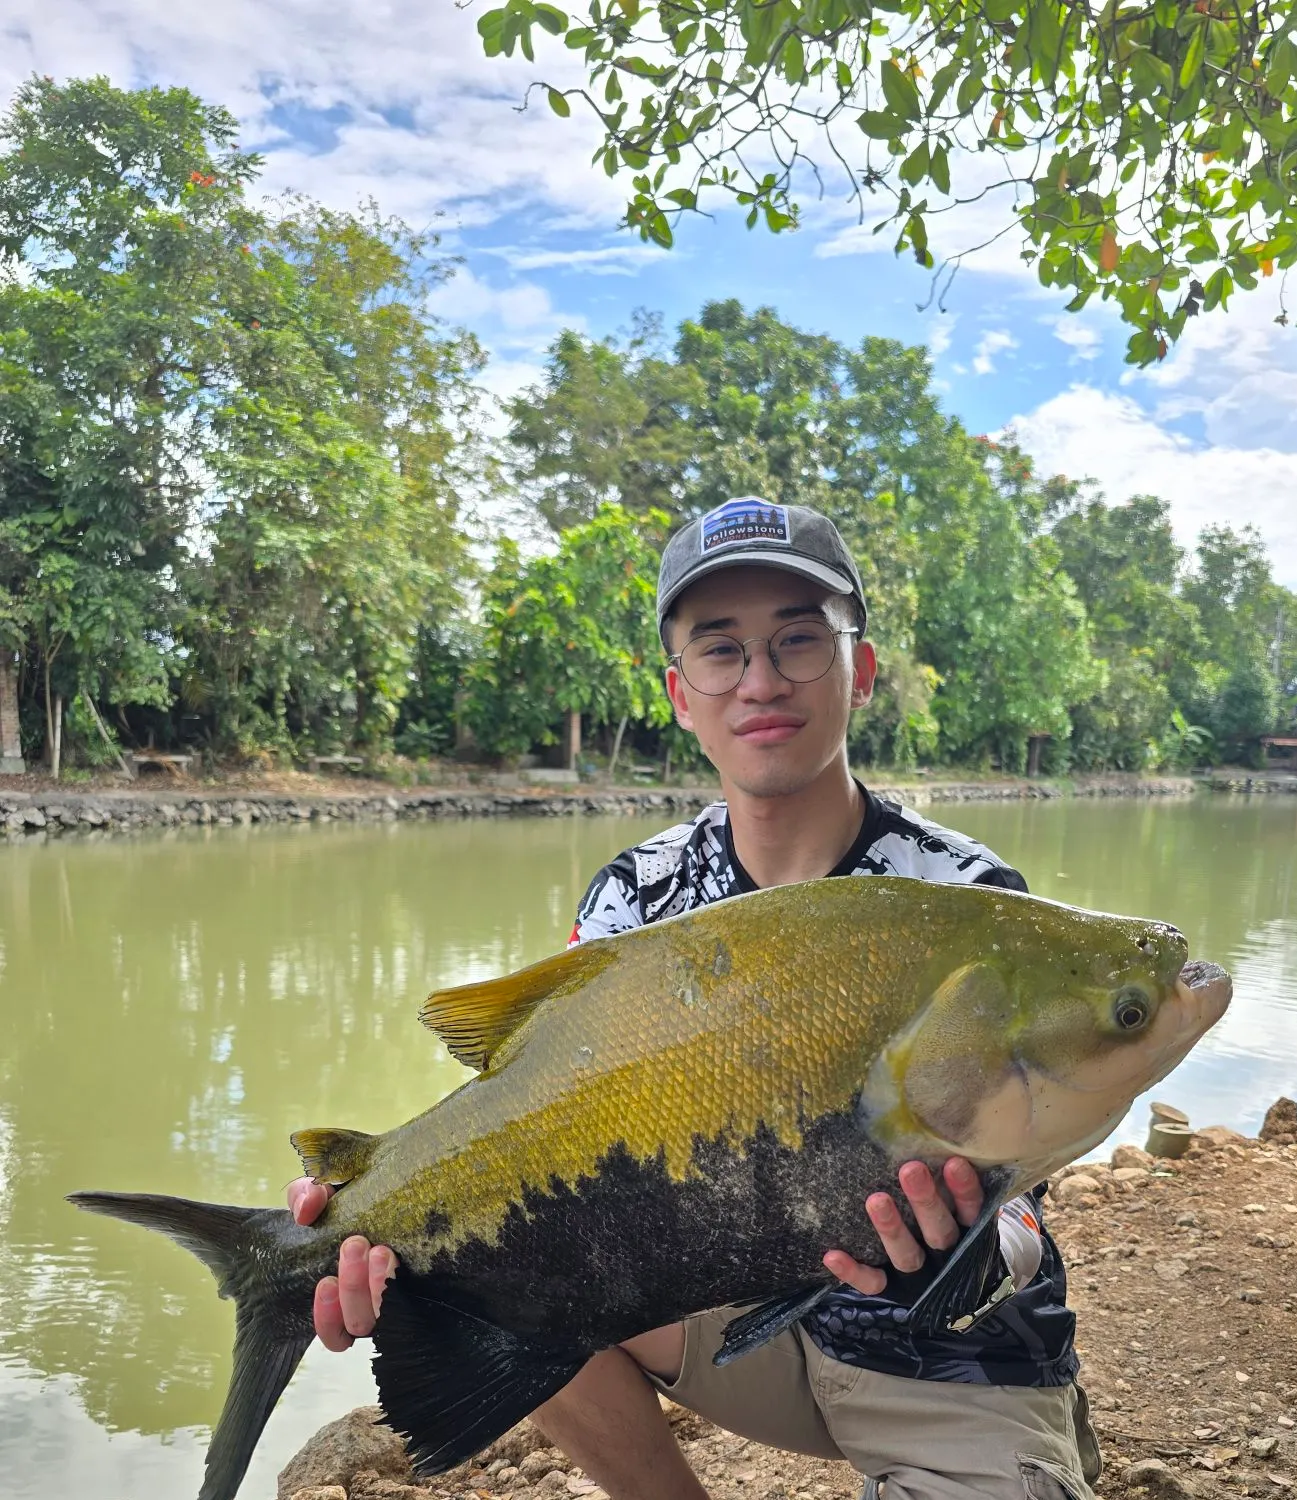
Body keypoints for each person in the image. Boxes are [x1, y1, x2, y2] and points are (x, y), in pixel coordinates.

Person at [288, 499, 1102, 1500]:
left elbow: (1029, 1206)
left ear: (862, 668)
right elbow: (533, 1130)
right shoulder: (634, 899)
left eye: (799, 640)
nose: (760, 680)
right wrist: (372, 1224)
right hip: (731, 1330)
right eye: (722, 651)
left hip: (950, 1359)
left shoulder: (968, 905)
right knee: (505, 1277)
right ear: (681, 692)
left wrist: (965, 1245)